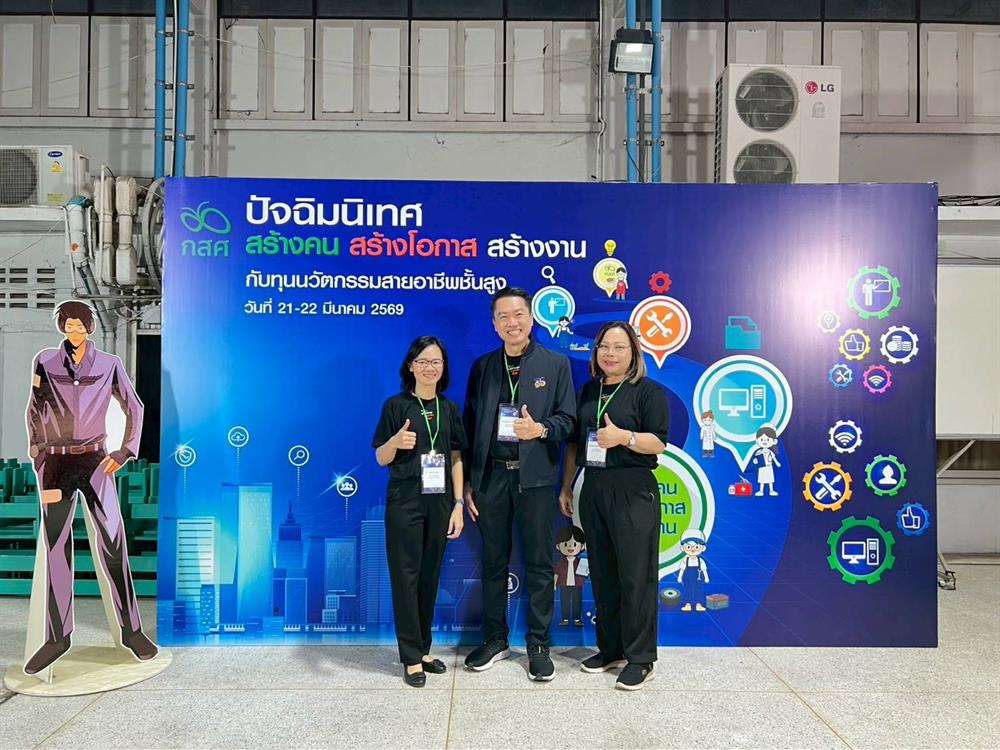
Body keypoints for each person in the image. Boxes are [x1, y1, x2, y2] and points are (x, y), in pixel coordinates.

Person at [24, 301, 157, 675]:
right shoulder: (45, 362)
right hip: (55, 465)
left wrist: (126, 450)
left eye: (80, 325)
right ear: (61, 327)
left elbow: (134, 407)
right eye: (68, 325)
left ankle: (132, 632)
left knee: (113, 540)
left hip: (96, 461)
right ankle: (57, 637)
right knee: (56, 547)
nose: (74, 331)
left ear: (90, 327)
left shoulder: (109, 364)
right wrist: (37, 449)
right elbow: (34, 408)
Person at [463, 286, 576, 681]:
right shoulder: (482, 367)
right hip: (492, 478)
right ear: (494, 324)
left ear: (531, 318)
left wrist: (539, 429)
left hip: (537, 480)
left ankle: (539, 644)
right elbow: (470, 425)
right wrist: (470, 481)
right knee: (494, 561)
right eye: (503, 317)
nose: (512, 323)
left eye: (518, 315)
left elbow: (569, 421)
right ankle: (495, 639)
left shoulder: (556, 363)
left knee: (541, 563)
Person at [559, 321, 668, 691]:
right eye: (605, 346)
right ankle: (611, 649)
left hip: (633, 488)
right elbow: (575, 443)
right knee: (604, 572)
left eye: (620, 347)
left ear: (633, 352)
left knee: (636, 576)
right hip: (594, 487)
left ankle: (641, 658)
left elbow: (659, 443)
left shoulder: (648, 392)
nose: (610, 354)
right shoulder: (588, 390)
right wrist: (567, 485)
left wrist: (625, 437)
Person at [372, 335, 468, 687]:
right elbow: (380, 457)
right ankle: (410, 657)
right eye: (423, 361)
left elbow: (456, 458)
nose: (430, 368)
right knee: (405, 577)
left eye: (436, 362)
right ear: (411, 366)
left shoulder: (449, 408)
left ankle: (423, 649)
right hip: (406, 499)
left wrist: (458, 504)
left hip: (440, 501)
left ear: (443, 368)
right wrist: (395, 443)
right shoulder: (396, 406)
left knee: (429, 576)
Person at [554, 525, 588, 627]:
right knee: (564, 602)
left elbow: (585, 572)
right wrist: (554, 584)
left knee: (577, 602)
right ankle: (565, 619)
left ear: (582, 546)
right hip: (564, 585)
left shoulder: (581, 562)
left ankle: (577, 619)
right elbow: (556, 573)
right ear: (558, 546)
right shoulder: (560, 562)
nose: (570, 547)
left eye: (574, 544)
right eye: (565, 544)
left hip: (577, 585)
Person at [676, 529, 710, 612]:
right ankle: (687, 604)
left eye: (696, 547)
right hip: (687, 578)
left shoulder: (700, 561)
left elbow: (704, 569)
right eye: (688, 547)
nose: (693, 549)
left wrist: (706, 577)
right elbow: (682, 569)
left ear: (703, 548)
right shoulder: (685, 560)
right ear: (682, 548)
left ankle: (698, 604)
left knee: (698, 589)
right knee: (687, 589)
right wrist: (679, 577)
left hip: (698, 577)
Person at [751, 425, 781, 496]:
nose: (764, 441)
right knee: (762, 480)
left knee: (770, 479)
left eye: (767, 439)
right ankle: (761, 491)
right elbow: (755, 459)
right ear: (757, 440)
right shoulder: (759, 452)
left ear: (774, 441)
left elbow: (774, 458)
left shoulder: (770, 452)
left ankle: (771, 490)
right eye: (761, 439)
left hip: (769, 467)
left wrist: (777, 463)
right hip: (762, 467)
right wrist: (755, 461)